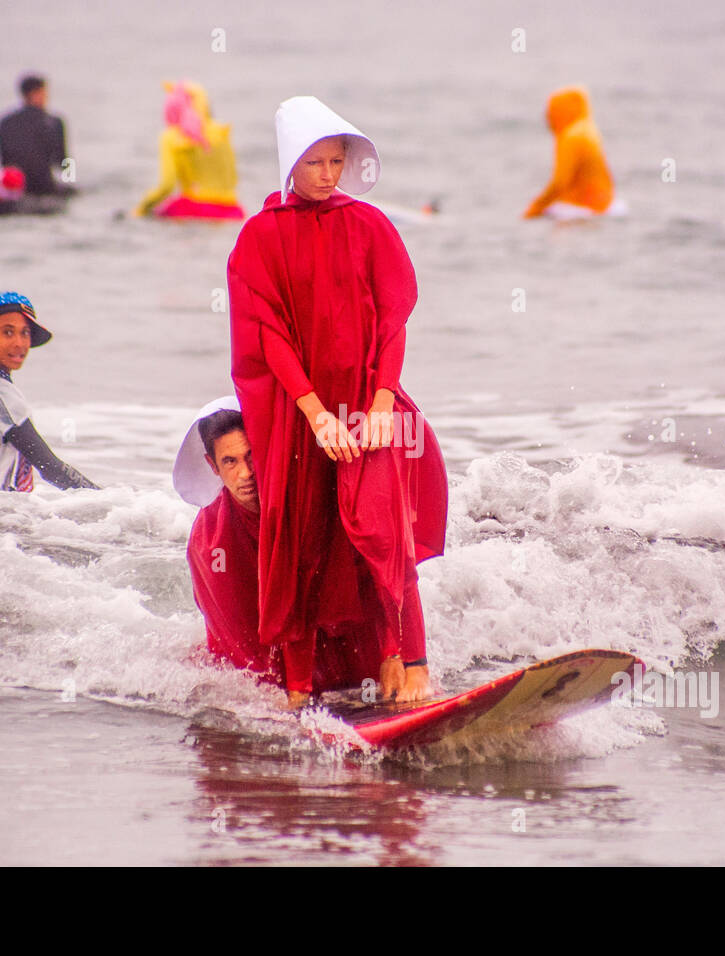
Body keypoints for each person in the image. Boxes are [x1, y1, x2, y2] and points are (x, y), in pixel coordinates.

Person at [227, 95, 448, 708]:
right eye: (315, 162)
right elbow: (267, 334)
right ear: (288, 164)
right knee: (303, 540)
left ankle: (408, 665)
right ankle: (298, 690)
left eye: (336, 161)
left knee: (383, 533)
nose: (328, 174)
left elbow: (394, 319)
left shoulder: (370, 224)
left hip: (370, 408)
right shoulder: (259, 236)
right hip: (299, 421)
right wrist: (315, 413)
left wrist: (380, 405)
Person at [177, 399, 383, 692]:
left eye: (252, 456)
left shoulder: (308, 499)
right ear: (213, 466)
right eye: (230, 461)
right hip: (260, 658)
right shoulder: (210, 546)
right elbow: (243, 649)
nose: (246, 473)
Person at [0, 292, 98, 499]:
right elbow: (49, 467)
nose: (19, 343)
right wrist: (109, 502)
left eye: (24, 333)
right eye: (8, 332)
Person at [129, 81, 244, 220]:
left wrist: (141, 209)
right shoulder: (222, 131)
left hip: (191, 210)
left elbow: (167, 186)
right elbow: (232, 178)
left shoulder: (171, 136)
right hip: (233, 211)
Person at [523, 86, 615, 218]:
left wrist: (536, 207)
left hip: (584, 207)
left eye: (551, 113)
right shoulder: (589, 129)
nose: (548, 119)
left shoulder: (571, 137)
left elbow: (560, 182)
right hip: (605, 201)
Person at [0, 74, 74, 198]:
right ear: (36, 93)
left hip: (16, 187)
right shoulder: (54, 122)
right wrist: (70, 180)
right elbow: (64, 160)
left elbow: (3, 161)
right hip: (45, 186)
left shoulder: (4, 122)